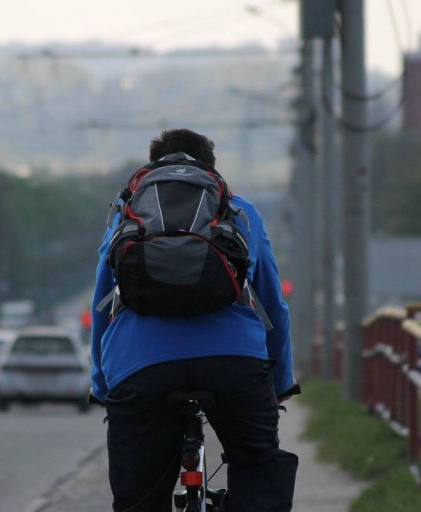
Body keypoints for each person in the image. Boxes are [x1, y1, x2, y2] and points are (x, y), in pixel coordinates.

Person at [91, 128, 299, 512]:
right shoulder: (241, 212)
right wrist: (280, 380)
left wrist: (103, 383)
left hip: (140, 365)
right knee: (257, 468)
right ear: (211, 172)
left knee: (138, 494)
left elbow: (103, 306)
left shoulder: (126, 214)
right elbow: (272, 304)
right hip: (234, 363)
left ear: (152, 169)